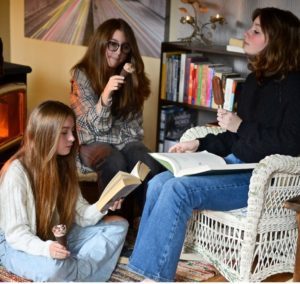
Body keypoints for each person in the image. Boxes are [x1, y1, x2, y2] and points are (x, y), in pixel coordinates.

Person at [128, 7, 300, 282]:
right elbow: (233, 137)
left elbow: (292, 143)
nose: (246, 33)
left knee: (178, 190)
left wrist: (240, 125)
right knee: (159, 182)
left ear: (277, 41)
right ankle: (145, 272)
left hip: (257, 178)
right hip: (232, 165)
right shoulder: (253, 82)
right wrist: (199, 143)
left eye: (255, 30)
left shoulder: (295, 88)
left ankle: (156, 278)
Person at [0, 101, 128, 282]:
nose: (72, 138)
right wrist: (47, 249)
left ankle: (72, 272)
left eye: (72, 131)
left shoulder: (63, 164)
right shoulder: (16, 171)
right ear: (46, 134)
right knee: (54, 268)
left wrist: (104, 204)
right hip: (16, 245)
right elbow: (16, 235)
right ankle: (78, 272)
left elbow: (82, 215)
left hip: (54, 235)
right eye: (64, 133)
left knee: (118, 226)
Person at [70, 18, 162, 225]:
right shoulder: (81, 75)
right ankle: (114, 224)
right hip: (88, 145)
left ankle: (146, 222)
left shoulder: (131, 76)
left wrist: (122, 144)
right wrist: (106, 95)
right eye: (113, 44)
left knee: (147, 161)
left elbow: (134, 130)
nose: (118, 52)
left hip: (122, 142)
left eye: (124, 47)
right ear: (101, 43)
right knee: (115, 161)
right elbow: (92, 130)